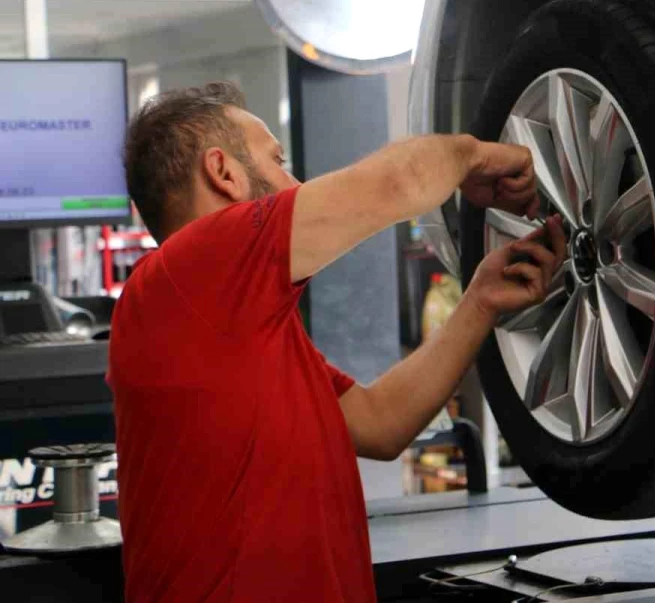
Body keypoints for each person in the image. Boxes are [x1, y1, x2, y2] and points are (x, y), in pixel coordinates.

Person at [108, 82, 565, 603]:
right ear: (224, 172)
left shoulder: (236, 329)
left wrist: (479, 300)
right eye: (278, 160)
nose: (294, 180)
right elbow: (399, 181)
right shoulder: (183, 274)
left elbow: (381, 423)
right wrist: (477, 155)